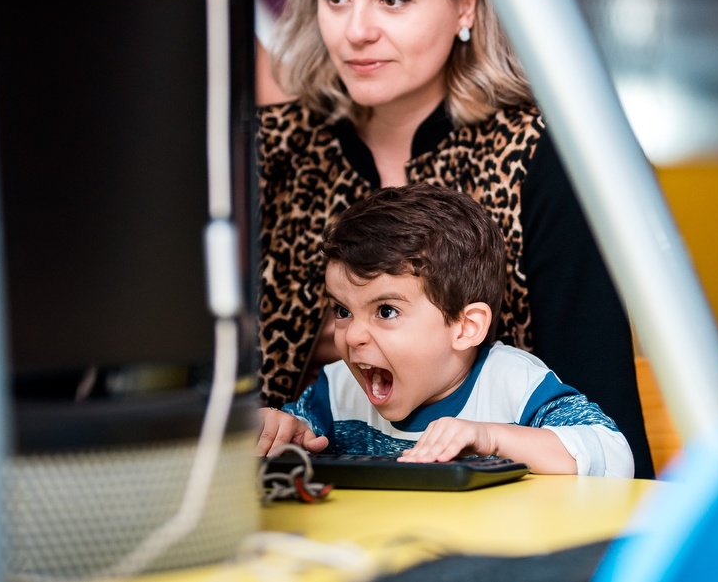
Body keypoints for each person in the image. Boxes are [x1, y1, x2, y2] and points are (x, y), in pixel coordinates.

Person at [258, 0, 655, 478]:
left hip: (500, 517)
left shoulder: (544, 155)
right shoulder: (275, 149)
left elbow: (607, 439)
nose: (356, 31)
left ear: (466, 2)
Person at [257, 184, 633, 477]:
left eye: (385, 311)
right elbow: (296, 435)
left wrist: (490, 438)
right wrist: (280, 430)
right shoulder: (337, 390)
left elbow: (613, 455)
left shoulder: (513, 384)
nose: (353, 336)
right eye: (342, 310)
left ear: (466, 327)